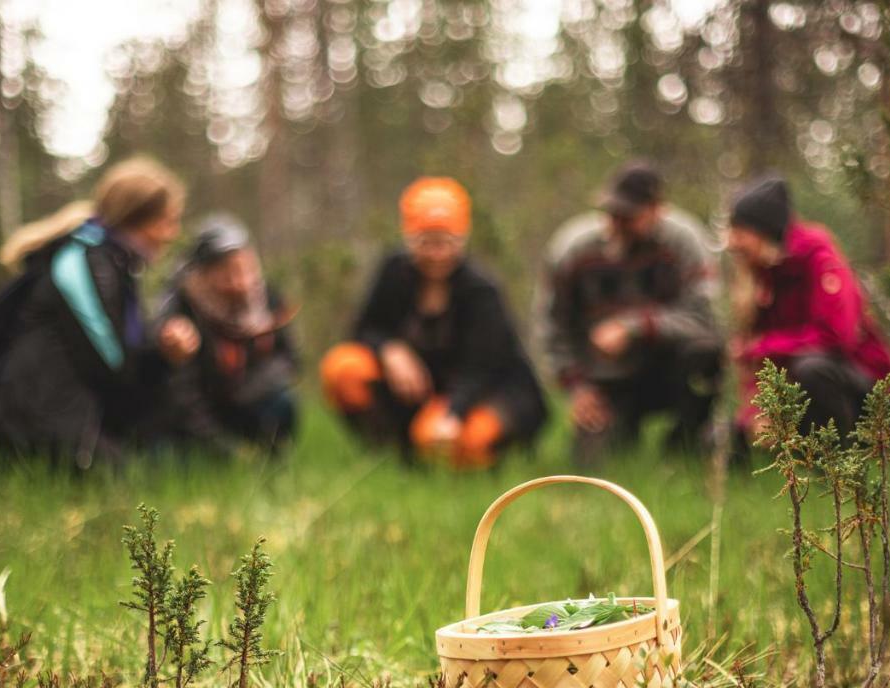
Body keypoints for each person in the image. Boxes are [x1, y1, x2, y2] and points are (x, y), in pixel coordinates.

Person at [0, 157, 199, 468]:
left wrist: (165, 355)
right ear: (138, 218)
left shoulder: (114, 263)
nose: (172, 233)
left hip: (61, 415)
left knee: (163, 451)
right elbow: (111, 364)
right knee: (122, 478)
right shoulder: (86, 263)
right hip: (38, 420)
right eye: (167, 221)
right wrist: (161, 357)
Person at [319, 177, 547, 469]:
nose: (436, 254)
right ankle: (390, 457)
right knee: (343, 367)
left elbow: (482, 367)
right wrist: (390, 349)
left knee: (452, 440)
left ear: (461, 239)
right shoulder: (393, 272)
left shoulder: (482, 291)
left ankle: (484, 461)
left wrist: (454, 413)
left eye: (445, 242)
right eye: (426, 242)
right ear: (409, 238)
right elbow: (363, 329)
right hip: (423, 393)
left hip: (485, 391)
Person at [539, 161, 725, 463]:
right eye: (612, 213)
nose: (617, 223)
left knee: (705, 354)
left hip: (667, 371)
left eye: (628, 216)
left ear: (657, 210)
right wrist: (577, 386)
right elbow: (551, 326)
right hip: (606, 379)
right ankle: (620, 432)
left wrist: (635, 327)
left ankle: (684, 445)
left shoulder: (685, 241)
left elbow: (706, 321)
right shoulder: (573, 248)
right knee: (591, 465)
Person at [726, 176, 890, 441]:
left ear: (764, 231)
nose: (731, 242)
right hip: (809, 392)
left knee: (813, 368)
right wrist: (753, 415)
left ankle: (835, 463)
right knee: (728, 436)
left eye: (739, 231)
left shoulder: (820, 259)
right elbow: (759, 362)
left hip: (880, 401)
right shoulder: (765, 274)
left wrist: (762, 346)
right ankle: (796, 452)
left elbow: (836, 338)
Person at [155, 214, 299, 454]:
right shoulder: (181, 307)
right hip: (197, 412)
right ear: (203, 273)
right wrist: (222, 447)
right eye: (226, 273)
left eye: (245, 269)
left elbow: (290, 358)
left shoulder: (267, 299)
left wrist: (244, 389)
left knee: (282, 403)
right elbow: (180, 391)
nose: (239, 282)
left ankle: (270, 454)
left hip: (248, 401)